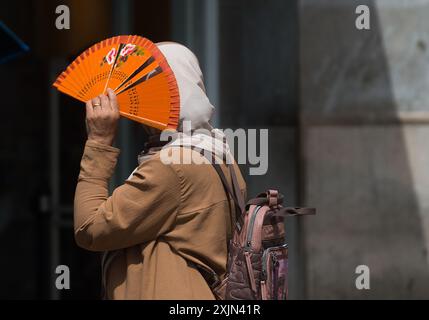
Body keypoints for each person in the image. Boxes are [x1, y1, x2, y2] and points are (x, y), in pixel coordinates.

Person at [73, 42, 246, 299]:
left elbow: (90, 229)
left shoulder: (172, 166)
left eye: (142, 87)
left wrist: (98, 142)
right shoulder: (216, 151)